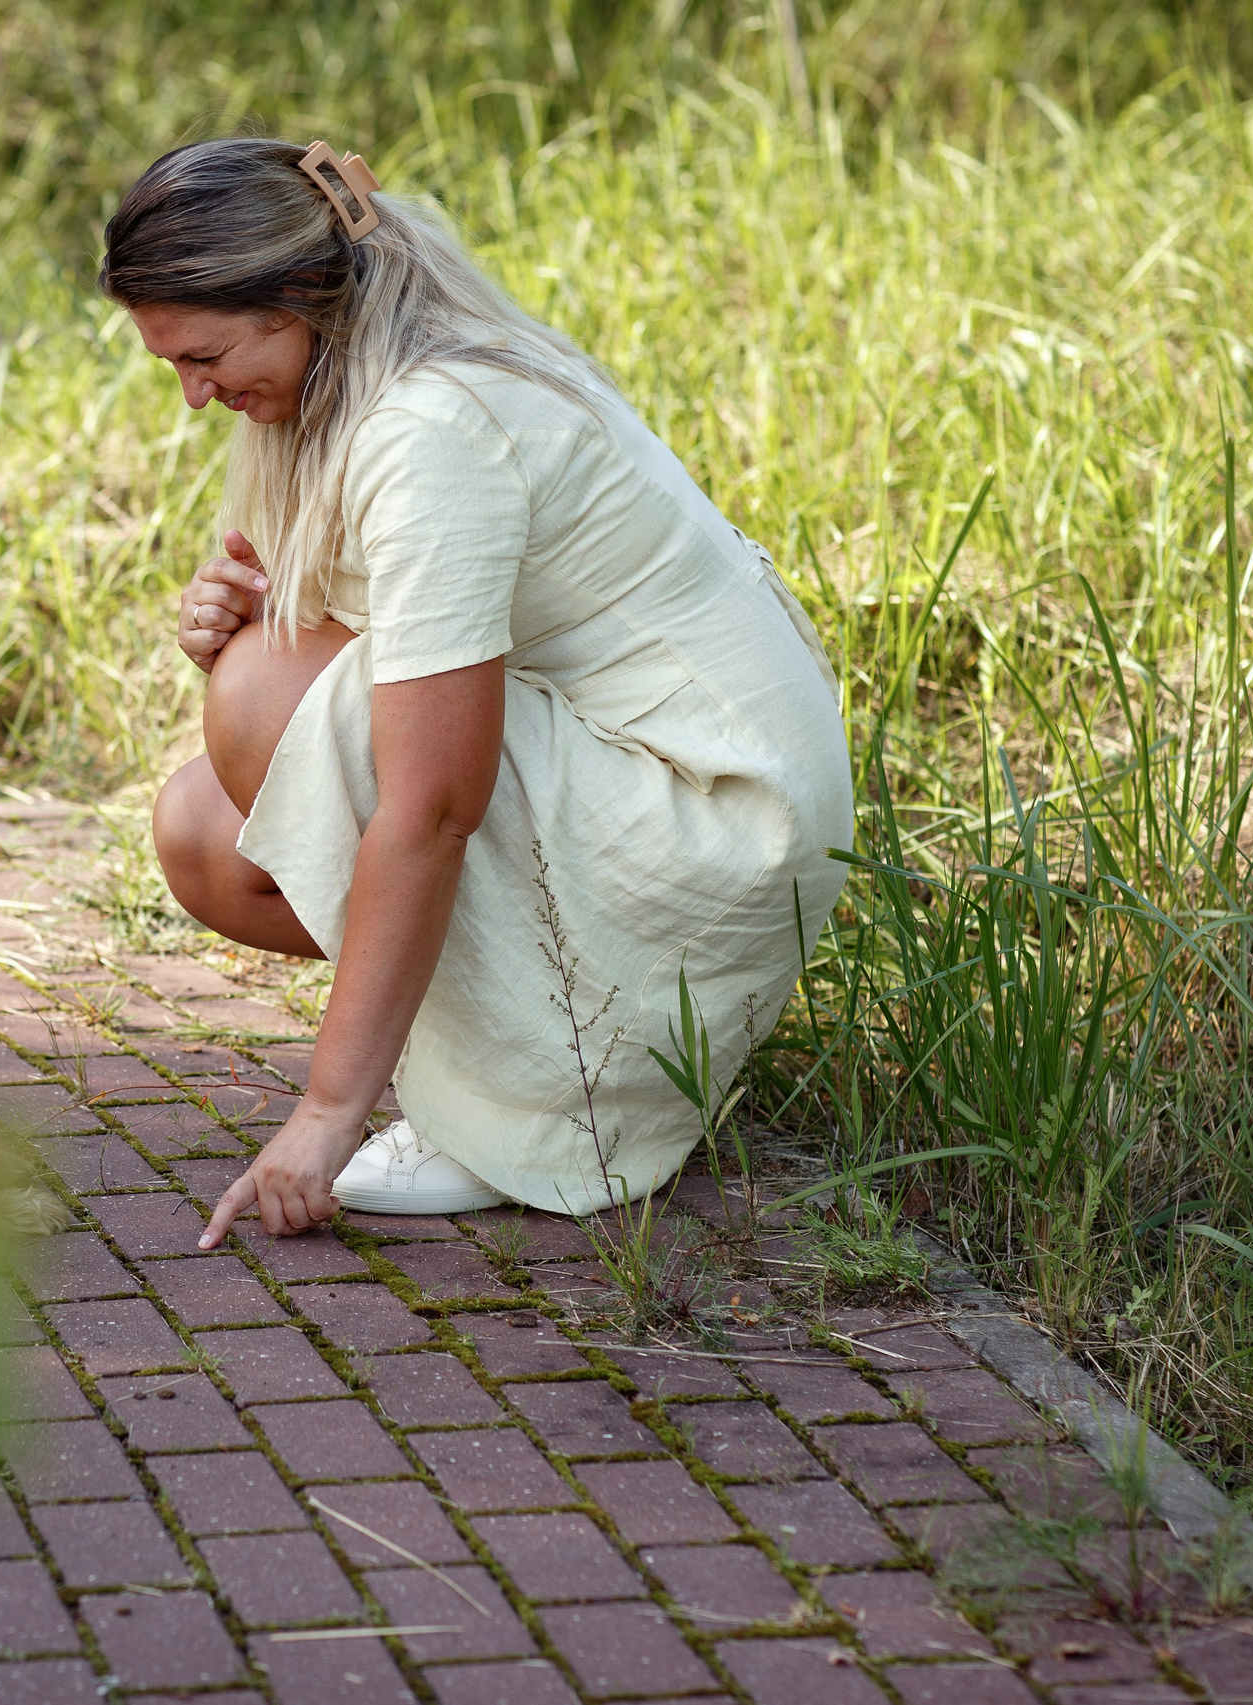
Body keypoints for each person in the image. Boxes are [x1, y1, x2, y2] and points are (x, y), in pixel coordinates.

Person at [98, 137, 853, 1250]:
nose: (192, 396)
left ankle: (522, 1113)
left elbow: (434, 803)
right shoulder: (359, 377)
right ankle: (502, 1066)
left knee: (265, 704)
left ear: (297, 297)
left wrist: (323, 1114)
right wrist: (234, 613)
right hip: (631, 778)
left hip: (716, 825)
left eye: (203, 356)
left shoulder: (433, 425)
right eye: (170, 364)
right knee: (206, 832)